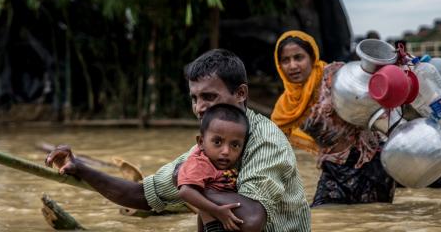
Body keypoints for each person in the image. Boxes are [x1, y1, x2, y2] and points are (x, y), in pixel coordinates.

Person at [46, 49, 311, 231]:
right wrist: (80, 167)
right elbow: (141, 195)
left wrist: (188, 185)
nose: (199, 108)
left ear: (241, 93)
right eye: (194, 98)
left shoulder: (266, 141)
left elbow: (252, 220)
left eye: (209, 97)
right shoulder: (206, 148)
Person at [271, 30, 395, 206]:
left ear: (312, 57)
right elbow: (272, 149)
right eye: (285, 60)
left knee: (371, 219)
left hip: (369, 166)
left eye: (299, 57)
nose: (292, 66)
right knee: (323, 214)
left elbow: (374, 99)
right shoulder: (285, 107)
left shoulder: (336, 76)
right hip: (333, 169)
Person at [177, 104, 249, 231]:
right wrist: (217, 211)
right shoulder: (201, 163)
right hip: (216, 223)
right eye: (217, 142)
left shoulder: (227, 164)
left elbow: (201, 211)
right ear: (201, 142)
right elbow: (185, 191)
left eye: (235, 145)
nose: (226, 151)